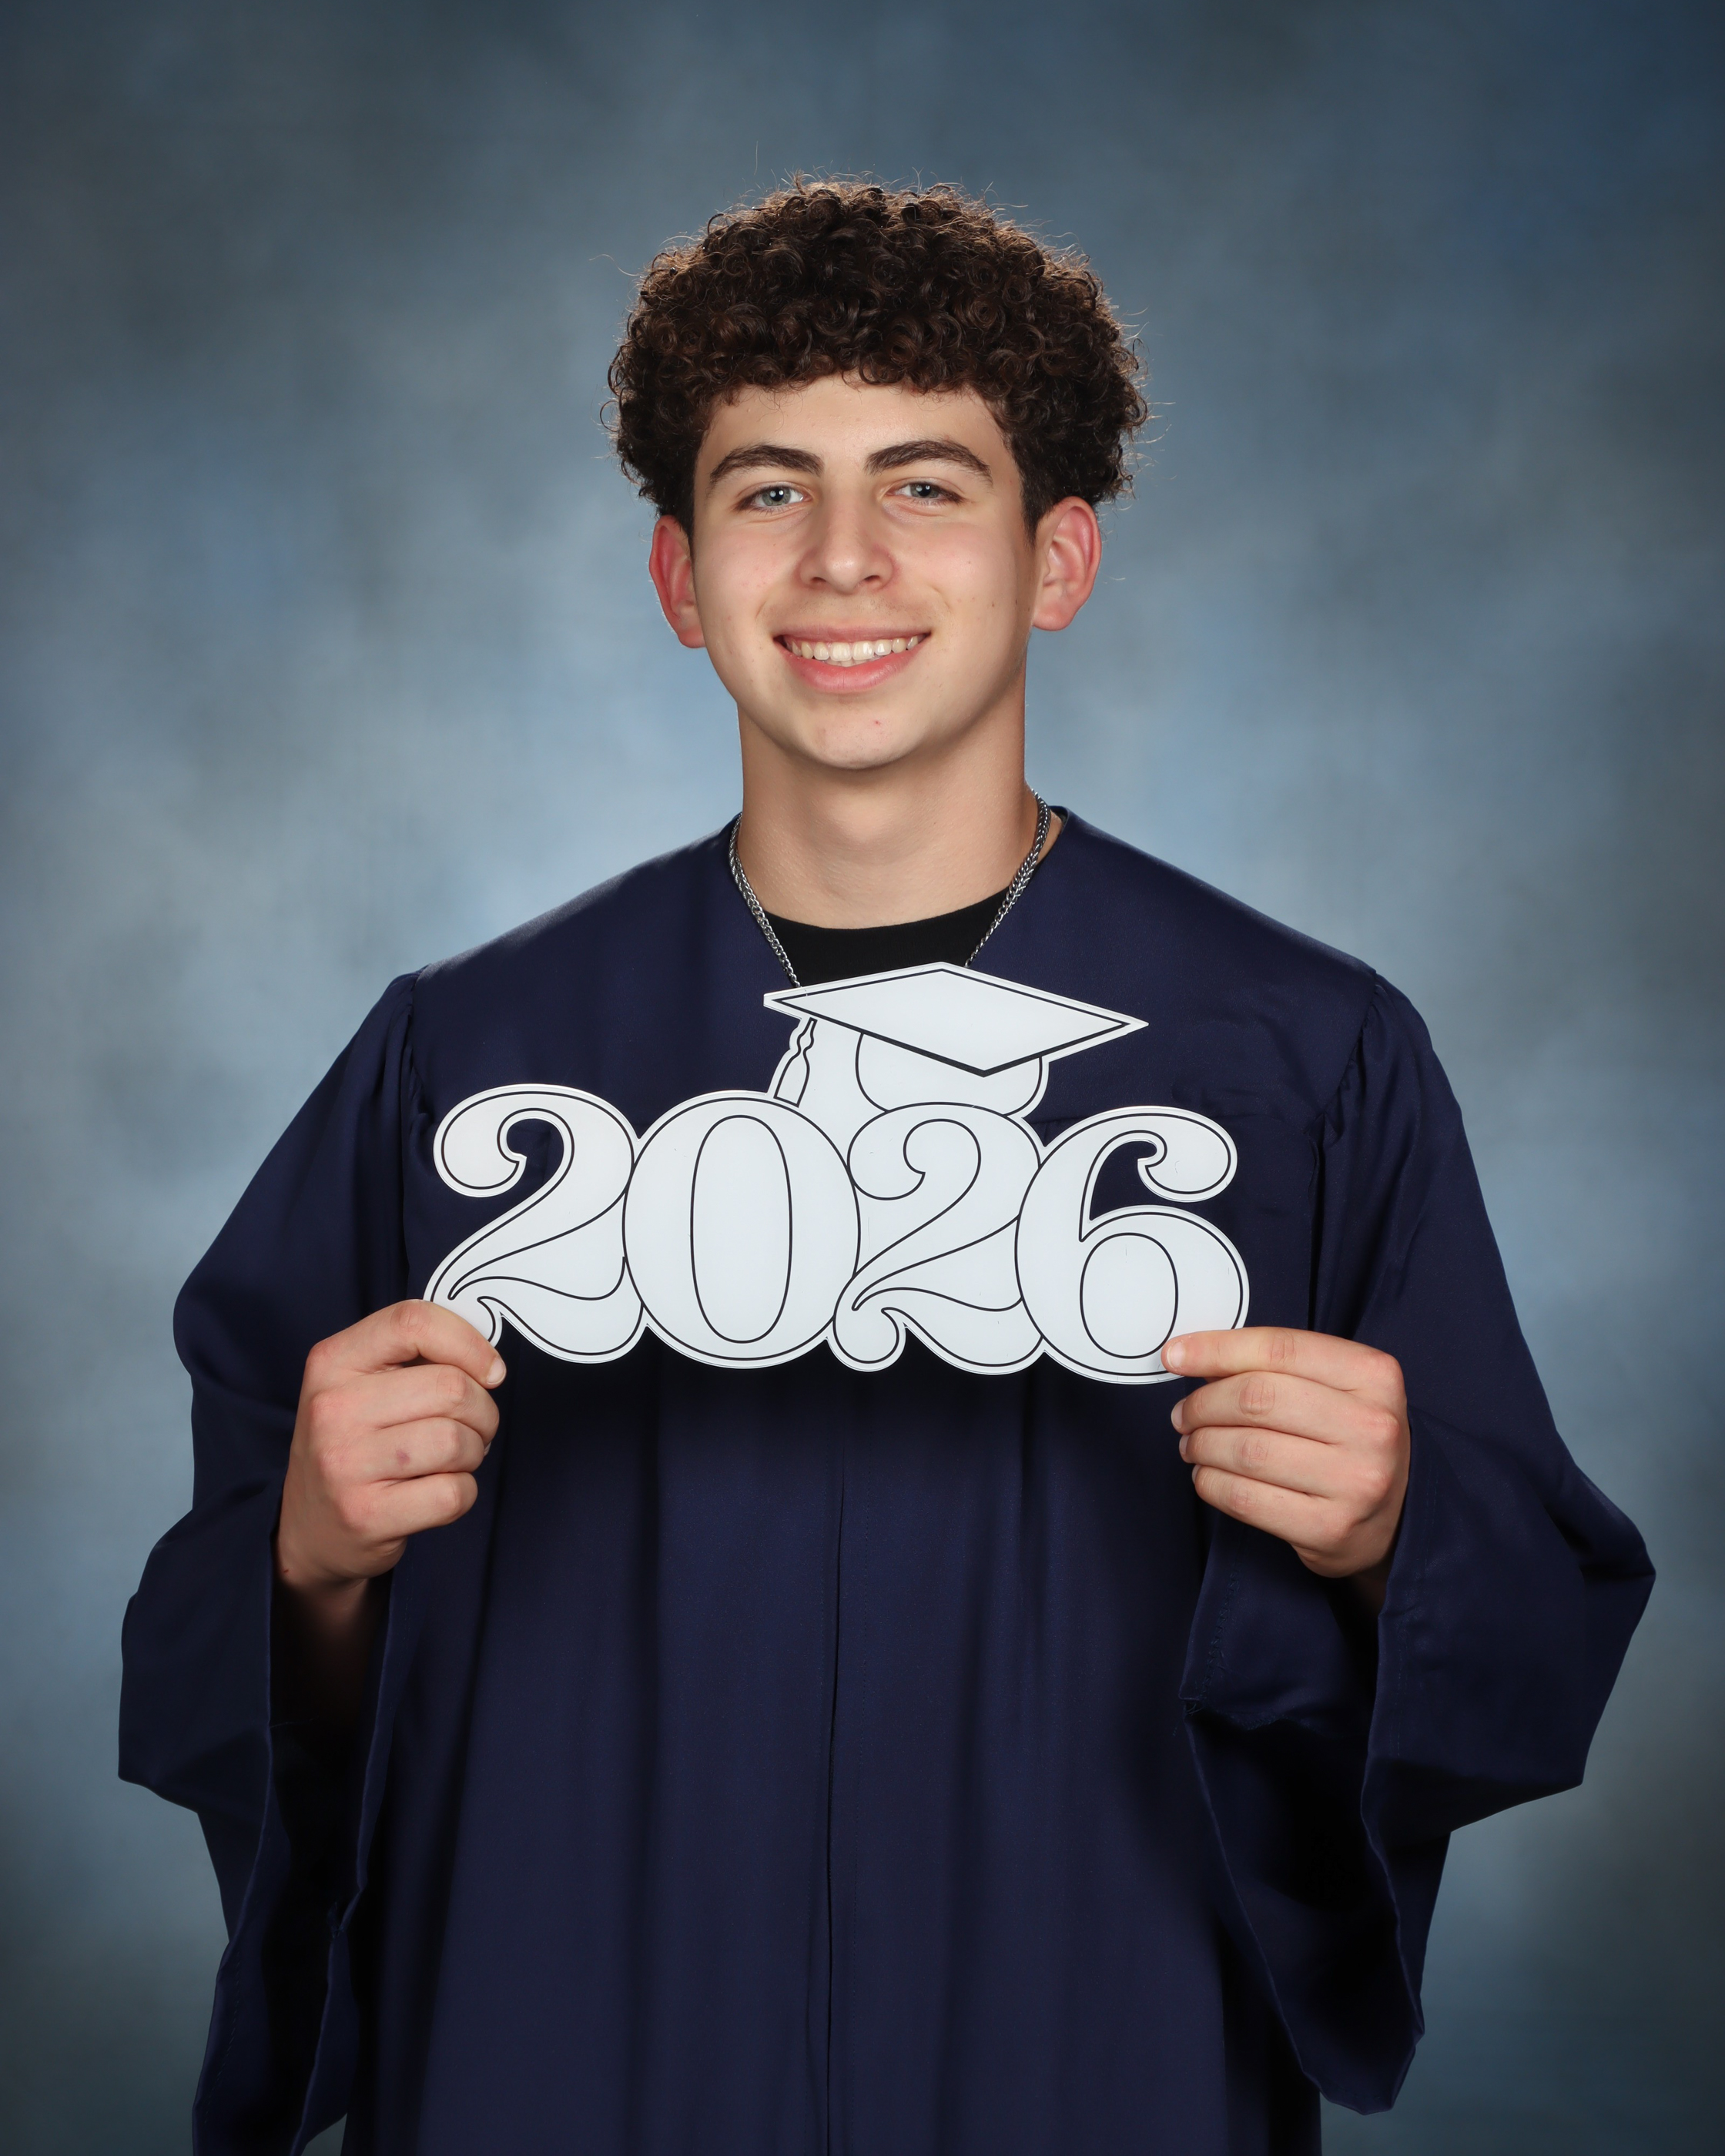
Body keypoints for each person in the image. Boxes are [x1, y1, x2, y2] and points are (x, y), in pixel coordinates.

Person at [121, 182, 1652, 2156]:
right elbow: (224, 1615)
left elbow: (1535, 1608)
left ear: (1057, 557)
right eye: (768, 489)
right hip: (565, 2025)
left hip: (1087, 2030)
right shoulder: (465, 1056)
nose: (842, 556)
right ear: (679, 576)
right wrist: (311, 1556)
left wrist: (1390, 1529)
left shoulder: (1302, 1059)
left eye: (925, 485)